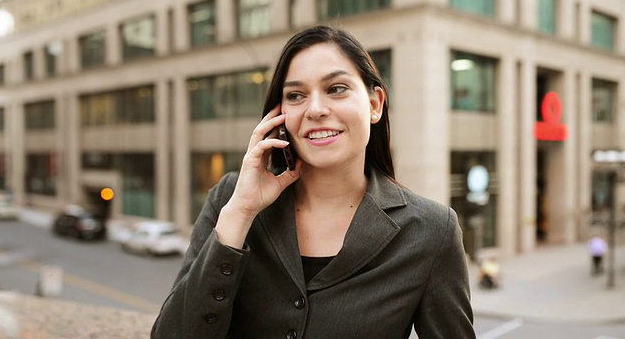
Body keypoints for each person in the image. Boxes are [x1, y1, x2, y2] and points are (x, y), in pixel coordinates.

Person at [151, 25, 475, 338]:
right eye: (295, 95)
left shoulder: (431, 231)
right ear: (280, 115)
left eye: (336, 89)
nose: (316, 109)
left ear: (375, 104)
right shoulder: (231, 200)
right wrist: (240, 214)